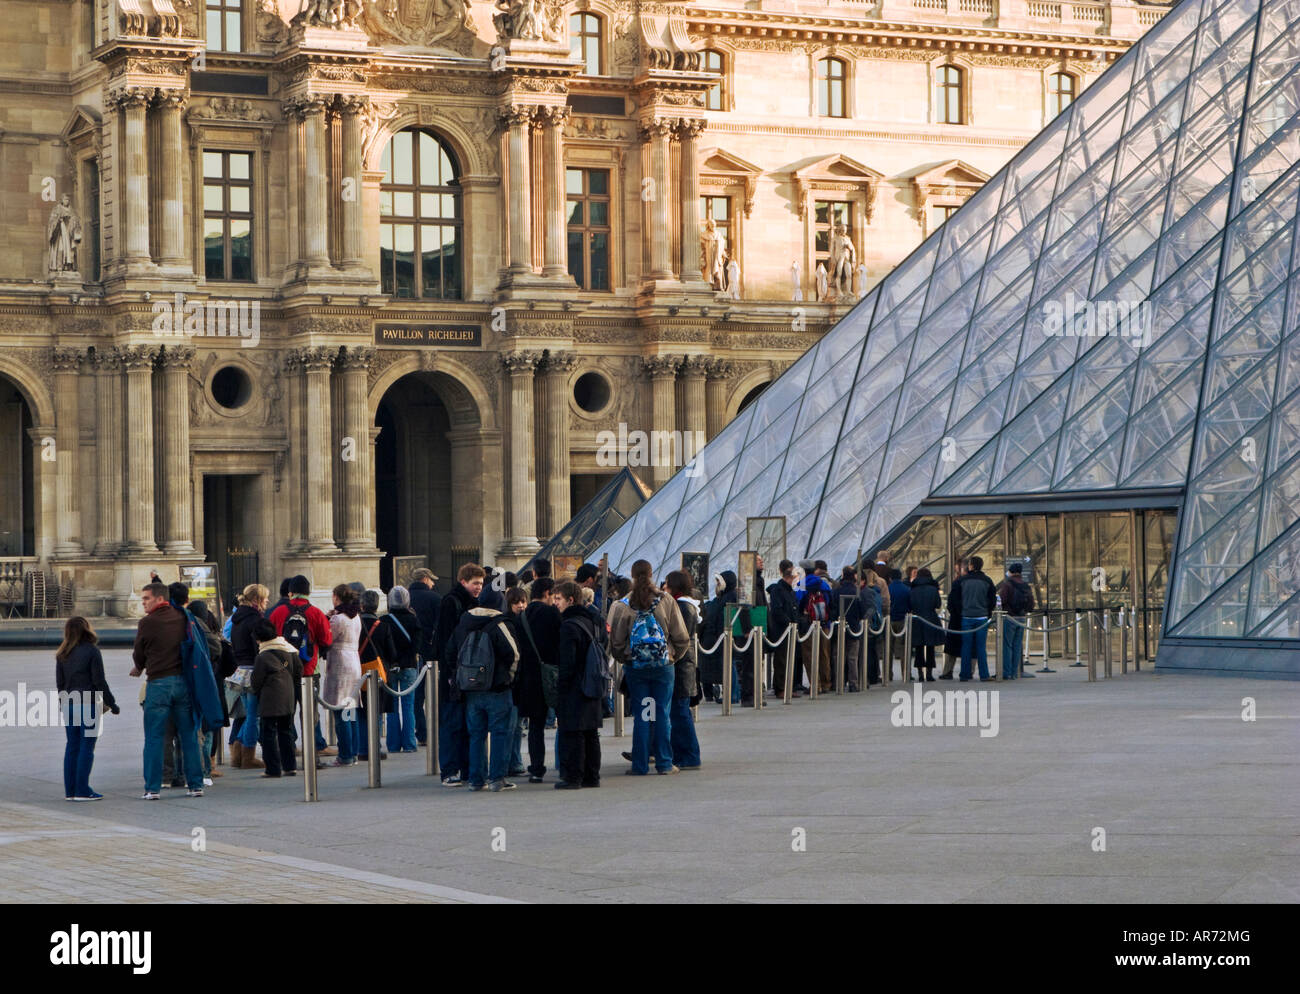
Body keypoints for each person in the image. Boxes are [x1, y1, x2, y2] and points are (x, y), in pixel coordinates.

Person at [609, 560, 689, 775]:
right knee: (661, 713)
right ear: (652, 574)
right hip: (663, 668)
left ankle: (640, 764)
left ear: (632, 575)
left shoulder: (624, 604)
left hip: (637, 669)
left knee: (644, 714)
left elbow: (616, 643)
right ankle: (664, 762)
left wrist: (627, 659)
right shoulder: (666, 601)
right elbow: (682, 637)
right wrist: (671, 657)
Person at [445, 583, 522, 791]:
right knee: (499, 732)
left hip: (471, 689)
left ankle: (475, 779)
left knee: (476, 734)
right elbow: (514, 654)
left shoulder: (464, 621)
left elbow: (450, 652)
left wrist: (461, 676)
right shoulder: (500, 623)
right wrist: (510, 677)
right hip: (497, 688)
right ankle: (497, 778)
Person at [132, 582, 204, 799]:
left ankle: (153, 788)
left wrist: (139, 666)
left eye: (146, 598)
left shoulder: (147, 622)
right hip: (182, 683)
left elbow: (139, 654)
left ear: (160, 599)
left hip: (159, 683)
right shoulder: (183, 617)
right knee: (189, 735)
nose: (143, 602)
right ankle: (195, 785)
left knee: (154, 737)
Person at [56, 616, 118, 800]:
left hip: (69, 703)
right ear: (87, 629)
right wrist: (112, 703)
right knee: (86, 747)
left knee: (72, 746)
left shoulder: (62, 653)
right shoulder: (92, 651)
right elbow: (99, 681)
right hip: (88, 703)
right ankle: (82, 790)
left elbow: (60, 684)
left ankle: (70, 791)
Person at [269, 575, 333, 754]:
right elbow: (327, 640)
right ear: (308, 592)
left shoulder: (278, 612)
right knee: (310, 714)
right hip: (309, 670)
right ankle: (313, 754)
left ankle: (287, 756)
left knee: (286, 715)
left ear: (291, 592)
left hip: (283, 670)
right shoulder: (316, 612)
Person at [552, 580, 604, 789]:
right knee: (591, 732)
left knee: (572, 732)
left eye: (558, 599)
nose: (555, 603)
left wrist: (560, 689)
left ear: (570, 600)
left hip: (575, 686)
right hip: (593, 682)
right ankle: (592, 776)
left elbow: (567, 663)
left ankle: (573, 777)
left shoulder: (568, 626)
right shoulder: (592, 621)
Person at [435, 563, 483, 786]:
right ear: (463, 581)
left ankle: (465, 768)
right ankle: (449, 769)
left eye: (481, 583)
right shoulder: (451, 602)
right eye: (475, 583)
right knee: (452, 722)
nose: (479, 587)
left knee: (466, 722)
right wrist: (450, 671)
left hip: (469, 670)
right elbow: (445, 640)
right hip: (454, 672)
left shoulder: (472, 603)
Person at [515, 577, 560, 783]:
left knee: (535, 726)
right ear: (547, 593)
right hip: (551, 674)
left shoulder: (522, 616)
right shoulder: (552, 613)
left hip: (529, 677)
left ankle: (536, 768)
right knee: (564, 720)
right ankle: (564, 763)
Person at [251, 618, 302, 778]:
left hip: (269, 700)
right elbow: (298, 672)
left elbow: (256, 681)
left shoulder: (262, 656)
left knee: (268, 733)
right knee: (286, 731)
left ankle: (272, 768)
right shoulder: (290, 650)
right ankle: (290, 766)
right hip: (288, 697)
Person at [664, 571, 701, 770]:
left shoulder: (682, 607)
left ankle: (689, 755)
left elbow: (679, 638)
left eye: (667, 584)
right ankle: (683, 753)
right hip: (684, 665)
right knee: (679, 711)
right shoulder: (687, 605)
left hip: (680, 666)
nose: (664, 587)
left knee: (680, 712)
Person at [229, 584, 269, 769]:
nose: (267, 602)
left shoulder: (236, 619)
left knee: (249, 715)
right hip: (253, 670)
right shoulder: (255, 620)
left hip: (240, 671)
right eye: (265, 599)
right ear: (256, 600)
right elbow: (259, 649)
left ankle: (238, 753)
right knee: (254, 715)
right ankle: (248, 756)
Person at [324, 585, 363, 767]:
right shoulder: (355, 617)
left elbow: (327, 638)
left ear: (336, 597)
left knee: (340, 711)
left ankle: (345, 754)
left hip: (340, 663)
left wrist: (327, 619)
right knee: (350, 710)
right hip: (354, 661)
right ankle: (353, 751)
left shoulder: (338, 619)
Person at [380, 585, 421, 753]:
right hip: (409, 665)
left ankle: (393, 744)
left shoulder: (385, 620)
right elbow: (416, 646)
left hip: (391, 667)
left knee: (392, 708)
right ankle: (410, 743)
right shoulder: (414, 620)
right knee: (408, 706)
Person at [358, 588, 397, 761]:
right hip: (378, 673)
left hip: (359, 673)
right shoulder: (383, 626)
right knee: (377, 712)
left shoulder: (356, 624)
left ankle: (362, 748)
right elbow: (392, 653)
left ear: (362, 605)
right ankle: (375, 747)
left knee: (360, 712)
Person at [407, 568, 440, 745]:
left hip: (410, 652)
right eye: (431, 580)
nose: (433, 583)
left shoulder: (404, 597)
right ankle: (437, 730)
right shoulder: (435, 598)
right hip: (430, 652)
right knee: (435, 693)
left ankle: (421, 733)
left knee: (416, 697)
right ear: (425, 579)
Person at [796, 560, 833, 693]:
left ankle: (815, 685)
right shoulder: (823, 583)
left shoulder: (802, 584)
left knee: (809, 654)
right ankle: (826, 683)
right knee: (824, 654)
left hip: (808, 625)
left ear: (804, 570)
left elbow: (798, 602)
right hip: (824, 624)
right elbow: (830, 602)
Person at [959, 556, 997, 682]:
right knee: (981, 647)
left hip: (966, 615)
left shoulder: (962, 580)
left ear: (971, 565)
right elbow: (992, 599)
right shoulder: (987, 580)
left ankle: (965, 674)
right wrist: (988, 612)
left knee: (966, 646)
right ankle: (984, 674)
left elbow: (955, 598)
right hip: (981, 616)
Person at [766, 560, 801, 696]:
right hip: (782, 630)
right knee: (781, 659)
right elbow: (777, 610)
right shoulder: (778, 590)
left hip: (790, 629)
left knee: (788, 659)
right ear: (789, 578)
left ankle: (788, 686)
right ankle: (780, 688)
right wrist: (789, 623)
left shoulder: (789, 591)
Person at [997, 563, 1035, 680]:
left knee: (1007, 645)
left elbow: (1002, 600)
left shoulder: (1007, 584)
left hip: (1010, 617)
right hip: (1021, 618)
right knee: (1017, 645)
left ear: (1011, 571)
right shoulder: (1025, 585)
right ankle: (1015, 672)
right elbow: (1031, 603)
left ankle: (1006, 672)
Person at [831, 567, 863, 691]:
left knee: (837, 656)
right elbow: (862, 610)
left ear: (843, 575)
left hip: (838, 627)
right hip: (854, 628)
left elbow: (832, 608)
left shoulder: (836, 590)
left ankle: (838, 682)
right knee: (852, 657)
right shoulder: (857, 591)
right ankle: (853, 684)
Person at [909, 568, 943, 681]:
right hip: (931, 619)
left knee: (918, 648)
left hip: (917, 619)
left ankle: (920, 673)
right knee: (930, 647)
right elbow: (938, 604)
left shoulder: (913, 589)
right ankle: (929, 673)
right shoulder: (933, 589)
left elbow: (910, 605)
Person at [940, 558, 966, 680]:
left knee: (951, 648)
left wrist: (955, 613)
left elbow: (951, 602)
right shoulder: (983, 580)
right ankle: (968, 671)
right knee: (970, 646)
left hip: (956, 619)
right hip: (971, 617)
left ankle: (947, 671)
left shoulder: (957, 583)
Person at [887, 568, 912, 682]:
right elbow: (911, 605)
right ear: (901, 577)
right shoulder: (907, 589)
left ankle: (888, 674)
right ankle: (905, 673)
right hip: (903, 620)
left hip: (890, 620)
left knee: (888, 648)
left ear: (890, 578)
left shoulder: (888, 589)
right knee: (904, 648)